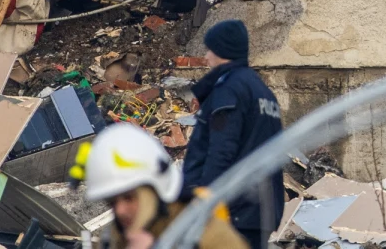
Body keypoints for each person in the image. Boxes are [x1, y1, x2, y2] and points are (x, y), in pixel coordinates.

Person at [182, 19, 285, 248]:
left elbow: (221, 149)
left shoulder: (229, 89)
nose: (207, 57)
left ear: (223, 51)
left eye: (210, 49)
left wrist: (205, 203)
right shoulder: (264, 92)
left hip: (233, 210)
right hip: (262, 210)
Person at [78, 122, 247, 249]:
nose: (120, 210)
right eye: (112, 202)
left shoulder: (208, 236)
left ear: (155, 190)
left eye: (129, 197)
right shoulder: (115, 236)